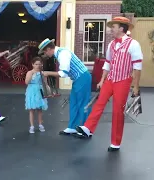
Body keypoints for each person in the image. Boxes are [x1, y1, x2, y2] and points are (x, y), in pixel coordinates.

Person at [75, 17, 143, 152]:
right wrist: (102, 80)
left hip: (123, 81)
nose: (111, 29)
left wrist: (135, 86)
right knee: (99, 103)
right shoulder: (111, 44)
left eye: (114, 26)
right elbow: (108, 63)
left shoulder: (133, 44)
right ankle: (88, 128)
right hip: (110, 79)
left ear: (122, 28)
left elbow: (137, 66)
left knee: (118, 111)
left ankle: (115, 142)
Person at [38, 38, 91, 135]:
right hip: (78, 78)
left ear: (49, 49)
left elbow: (63, 74)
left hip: (83, 77)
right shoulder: (59, 53)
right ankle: (72, 127)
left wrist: (47, 73)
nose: (45, 54)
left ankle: (86, 128)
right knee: (74, 102)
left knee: (83, 103)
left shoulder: (63, 54)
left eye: (45, 51)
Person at [25, 57, 48, 134]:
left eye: (39, 64)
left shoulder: (42, 73)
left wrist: (48, 89)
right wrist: (32, 75)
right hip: (32, 90)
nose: (38, 66)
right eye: (36, 64)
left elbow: (45, 83)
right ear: (32, 64)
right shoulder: (30, 72)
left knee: (40, 109)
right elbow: (26, 82)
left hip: (40, 90)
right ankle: (32, 126)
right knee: (31, 109)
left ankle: (40, 124)